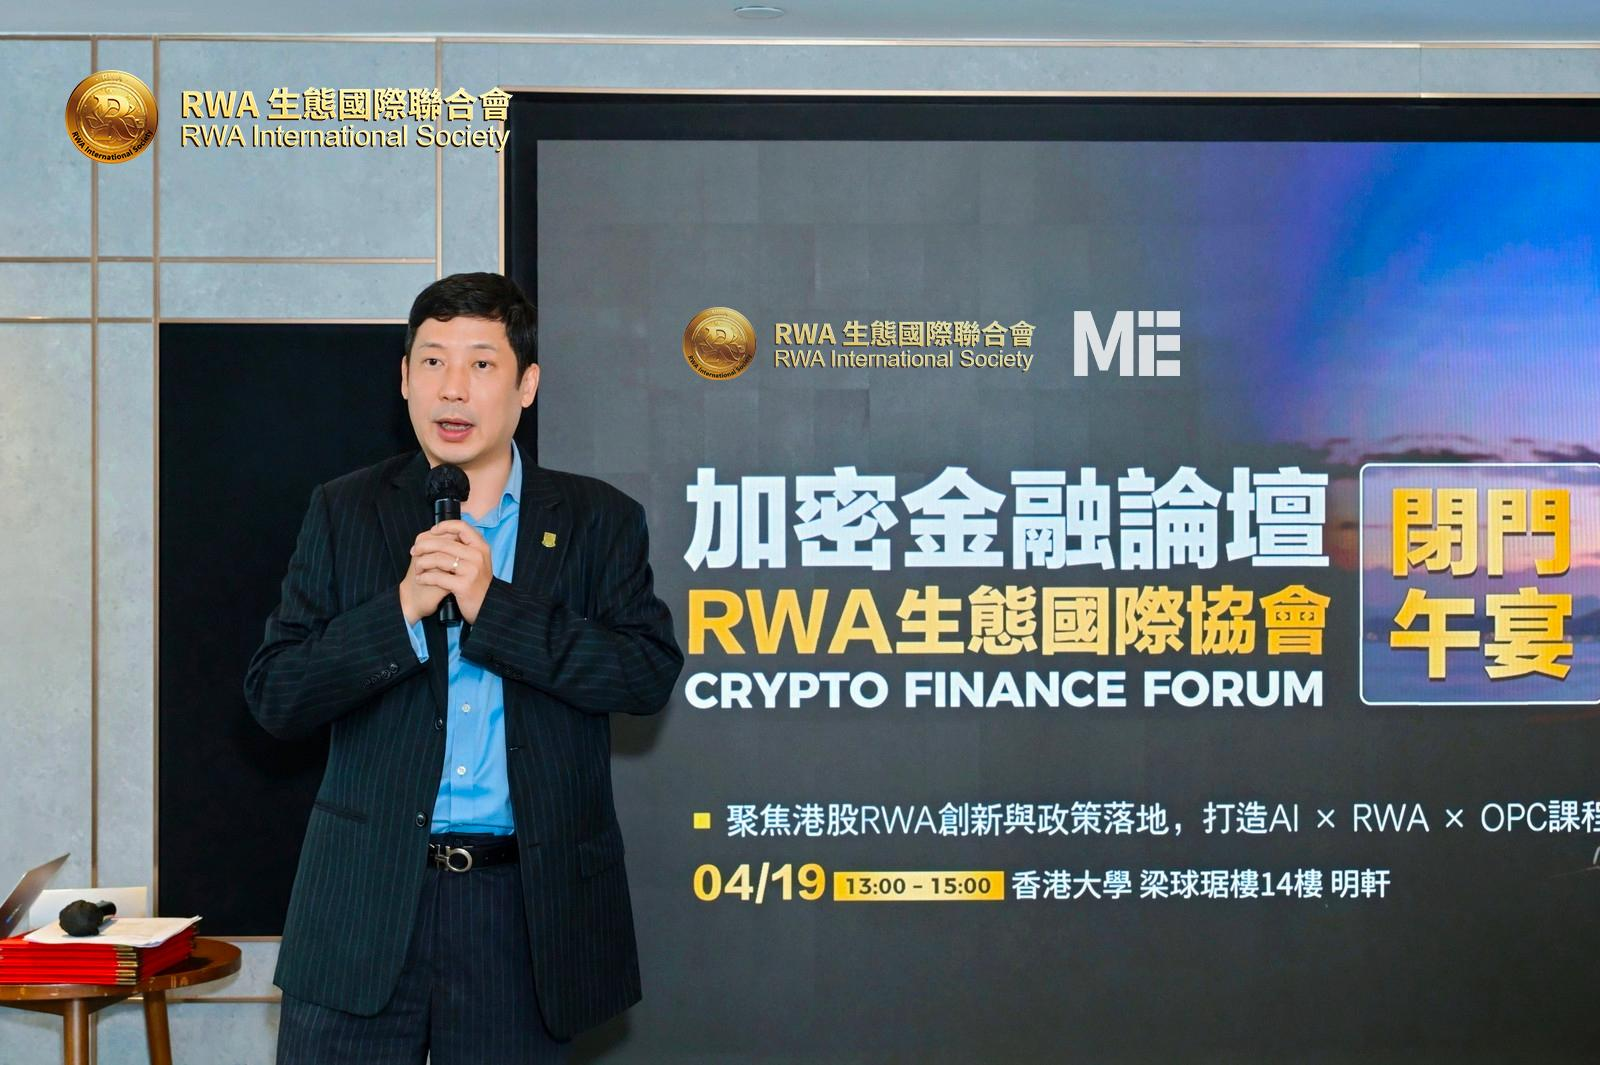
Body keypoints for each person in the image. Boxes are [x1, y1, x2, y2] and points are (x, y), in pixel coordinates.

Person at [244, 272, 683, 1064]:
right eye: (433, 361)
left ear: (527, 385)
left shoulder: (597, 520)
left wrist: (493, 605)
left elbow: (643, 673)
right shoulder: (344, 510)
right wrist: (401, 609)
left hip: (521, 911)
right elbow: (277, 693)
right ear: (403, 377)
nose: (453, 388)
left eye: (481, 363)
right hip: (364, 901)